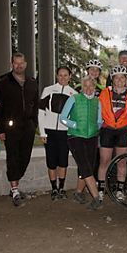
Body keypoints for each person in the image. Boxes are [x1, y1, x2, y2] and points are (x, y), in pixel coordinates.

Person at [0, 53, 39, 206]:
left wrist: (34, 123)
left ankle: (15, 185)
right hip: (10, 127)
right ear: (12, 64)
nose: (19, 66)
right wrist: (0, 129)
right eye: (16, 63)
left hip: (28, 127)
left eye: (21, 63)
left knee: (24, 157)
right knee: (12, 157)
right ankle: (15, 190)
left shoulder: (32, 82)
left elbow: (35, 104)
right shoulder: (4, 82)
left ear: (25, 64)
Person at [60, 76, 105, 210]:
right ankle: (97, 198)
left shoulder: (97, 101)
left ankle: (78, 193)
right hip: (75, 136)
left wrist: (97, 127)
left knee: (88, 167)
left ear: (95, 87)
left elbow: (99, 119)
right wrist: (75, 124)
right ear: (81, 87)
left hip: (91, 137)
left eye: (91, 86)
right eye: (85, 86)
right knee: (85, 166)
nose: (88, 89)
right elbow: (63, 118)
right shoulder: (73, 98)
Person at [97, 65, 127, 201]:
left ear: (126, 80)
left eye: (122, 77)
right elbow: (98, 112)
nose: (119, 80)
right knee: (104, 161)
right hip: (107, 129)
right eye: (116, 78)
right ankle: (100, 189)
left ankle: (120, 189)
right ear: (112, 80)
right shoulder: (104, 93)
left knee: (122, 162)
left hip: (123, 130)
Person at [38, 66, 77, 201]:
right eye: (60, 75)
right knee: (51, 161)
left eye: (66, 75)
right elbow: (41, 112)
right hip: (49, 131)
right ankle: (54, 189)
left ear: (70, 77)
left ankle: (61, 188)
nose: (63, 78)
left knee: (63, 161)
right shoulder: (48, 90)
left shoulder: (74, 93)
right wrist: (42, 132)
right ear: (56, 76)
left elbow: (74, 115)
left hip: (65, 132)